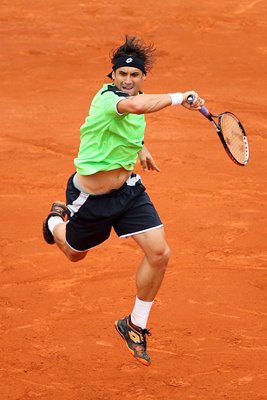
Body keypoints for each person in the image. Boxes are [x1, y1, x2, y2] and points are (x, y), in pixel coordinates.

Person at [42, 35, 204, 366]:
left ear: (142, 78)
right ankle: (54, 220)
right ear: (112, 77)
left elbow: (133, 122)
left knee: (159, 253)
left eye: (134, 75)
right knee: (74, 253)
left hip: (129, 191)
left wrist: (140, 149)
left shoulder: (140, 98)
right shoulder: (107, 99)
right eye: (122, 75)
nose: (128, 81)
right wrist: (178, 96)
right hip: (91, 198)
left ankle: (135, 324)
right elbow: (132, 107)